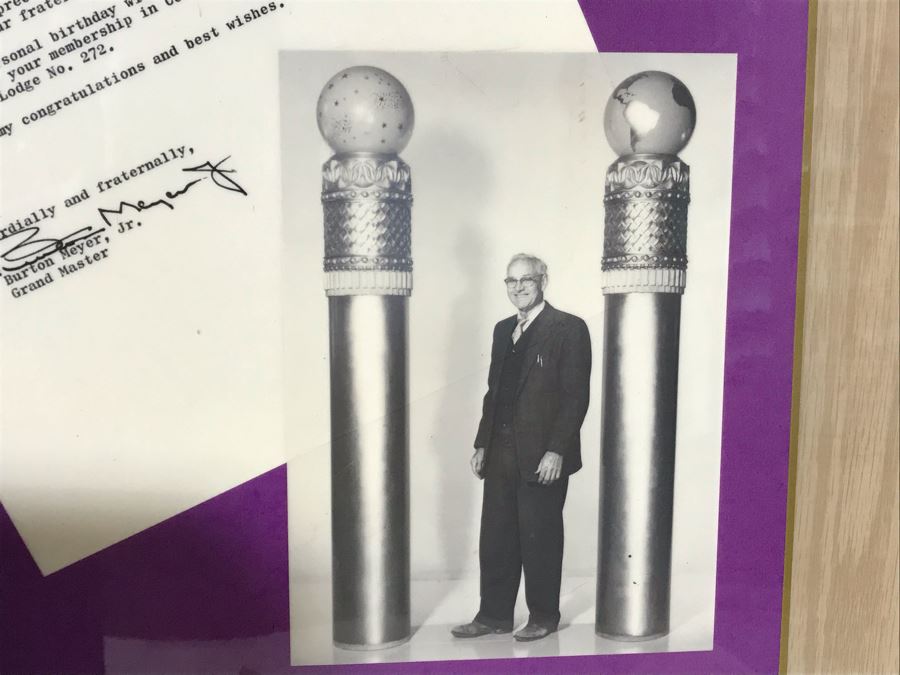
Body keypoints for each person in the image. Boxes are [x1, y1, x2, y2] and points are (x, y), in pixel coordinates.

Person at [451, 253, 592, 642]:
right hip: (500, 453)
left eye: (526, 279)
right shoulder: (502, 330)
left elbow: (575, 396)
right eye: (511, 281)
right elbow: (494, 393)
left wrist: (557, 450)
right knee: (495, 537)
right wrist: (482, 443)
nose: (518, 288)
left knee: (539, 536)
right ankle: (494, 616)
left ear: (543, 279)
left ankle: (543, 617)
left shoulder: (568, 328)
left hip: (543, 455)